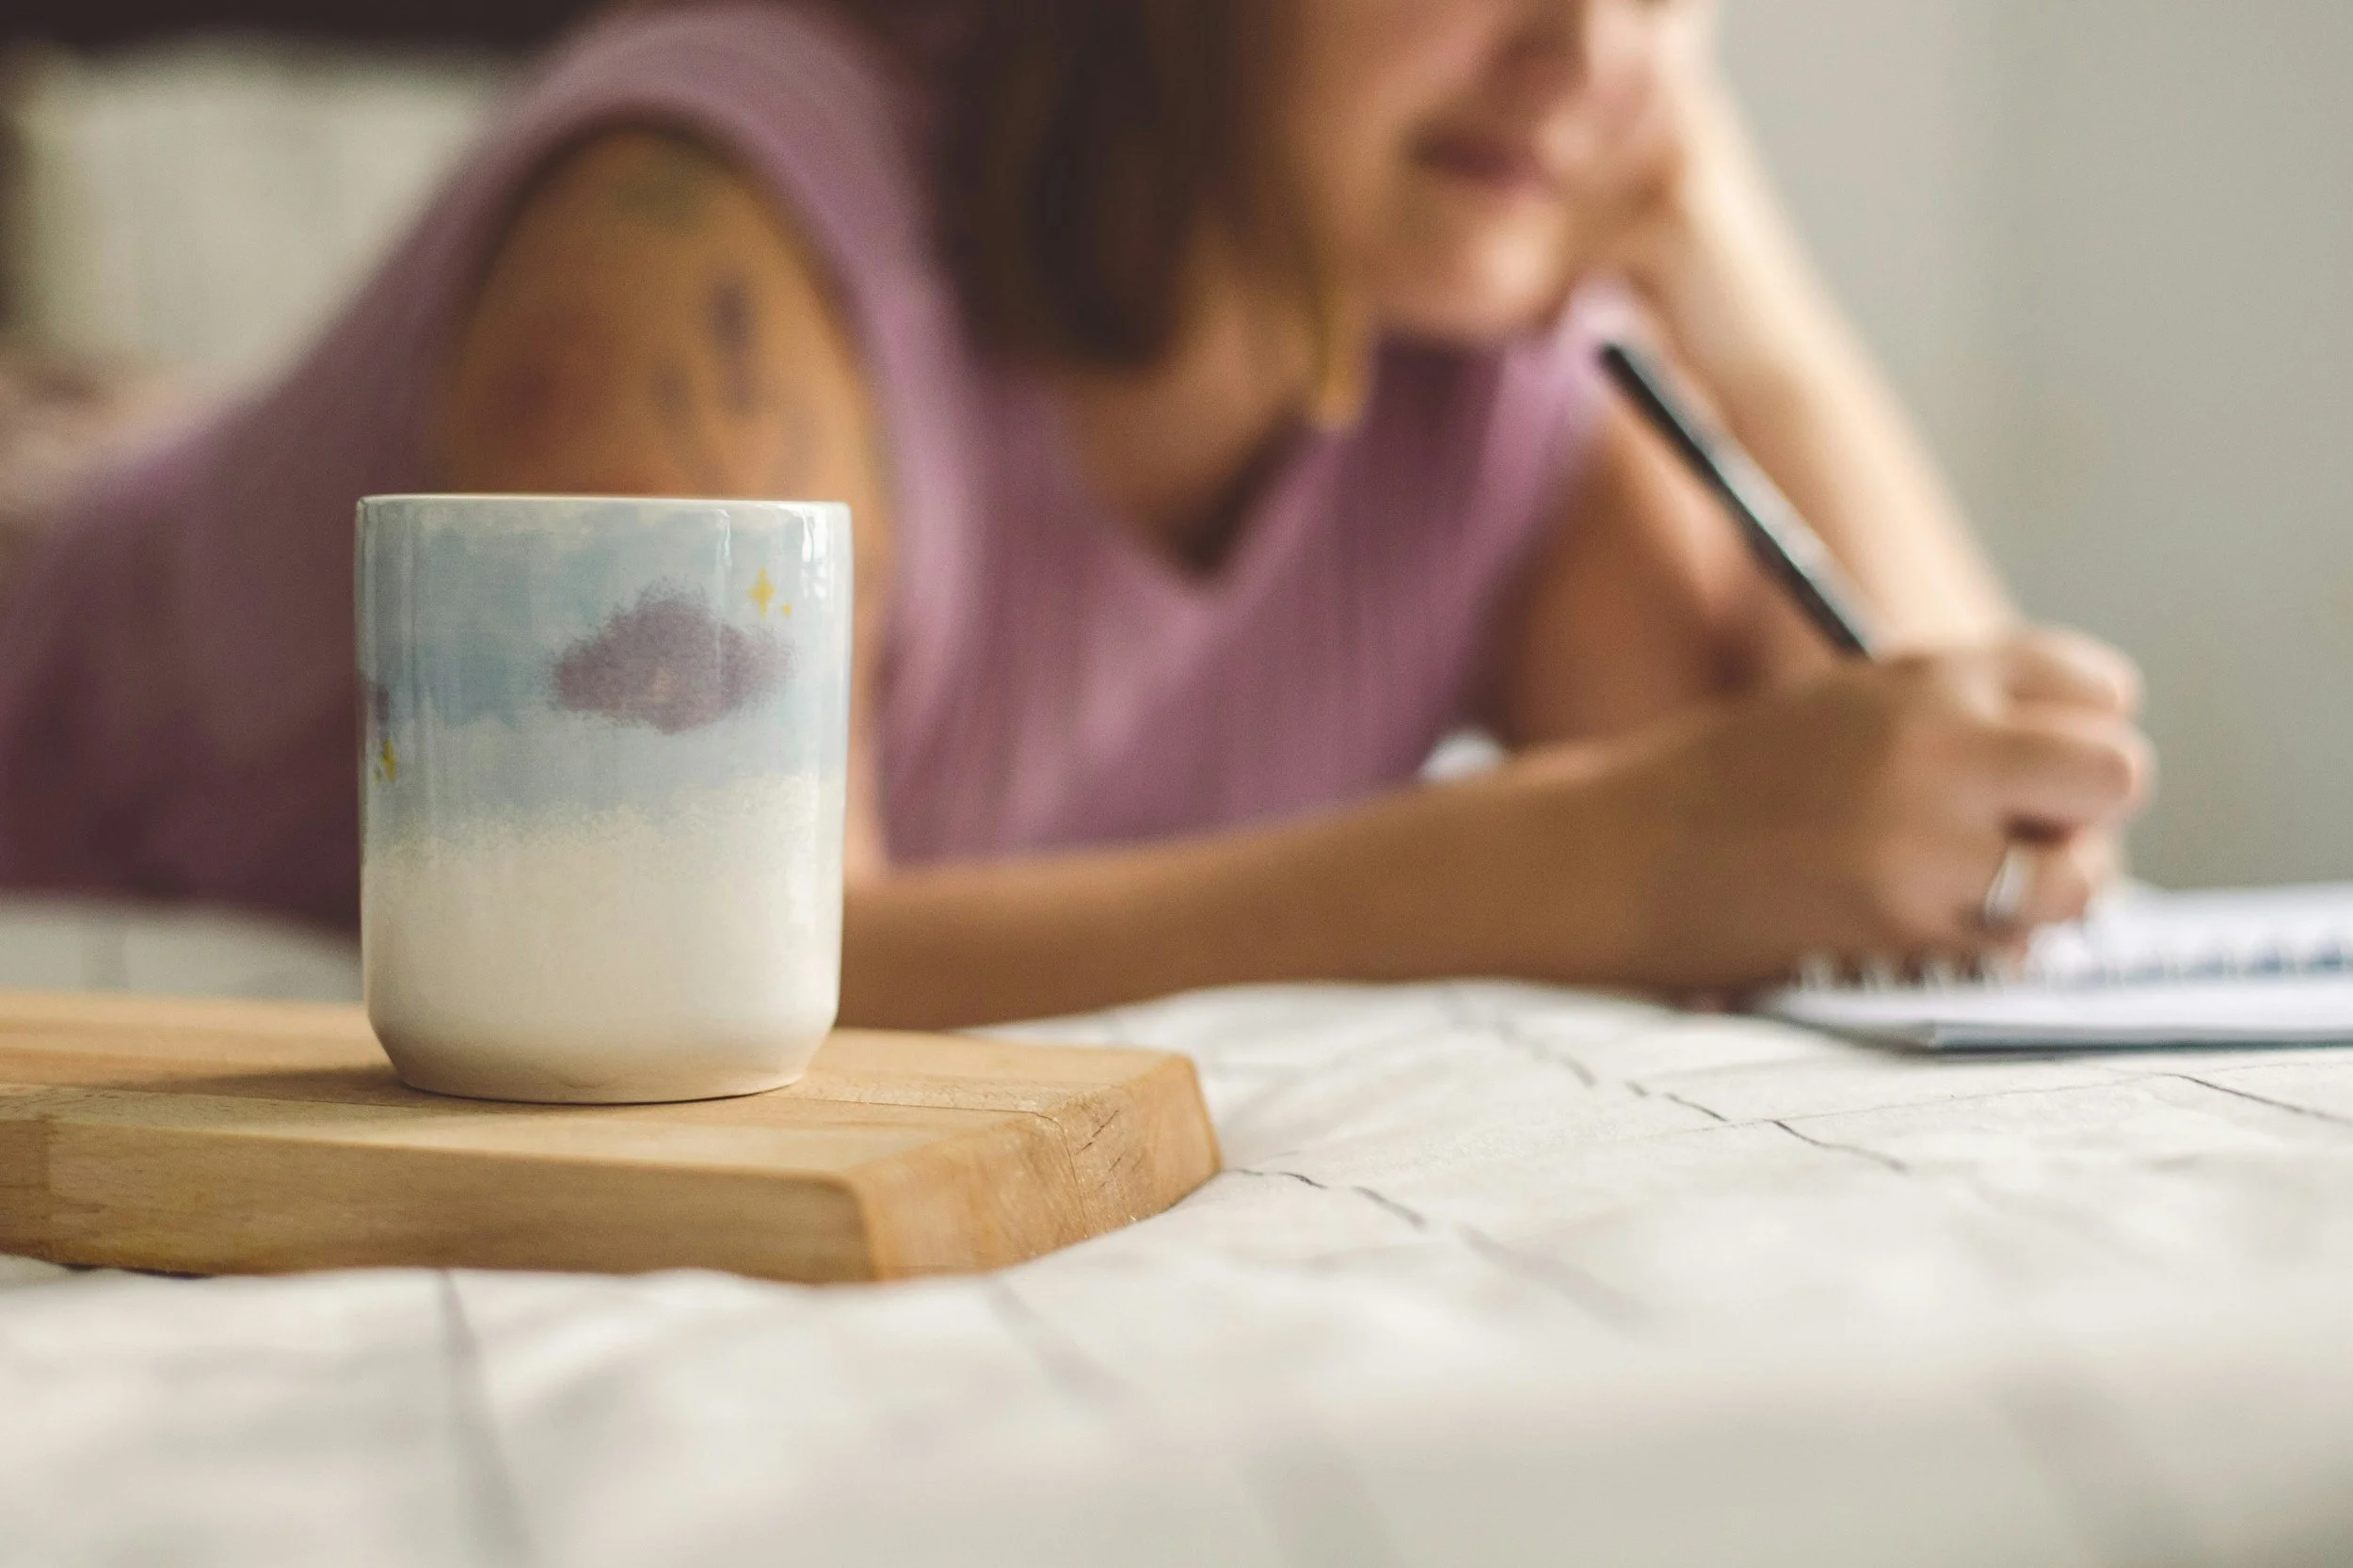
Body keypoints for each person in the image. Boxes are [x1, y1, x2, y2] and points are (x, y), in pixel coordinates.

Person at [0, 0, 2152, 1028]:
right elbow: (665, 966)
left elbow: (1953, 820)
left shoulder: (1480, 345)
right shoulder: (707, 234)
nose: (1586, 50)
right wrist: (1617, 848)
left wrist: (1743, 302)